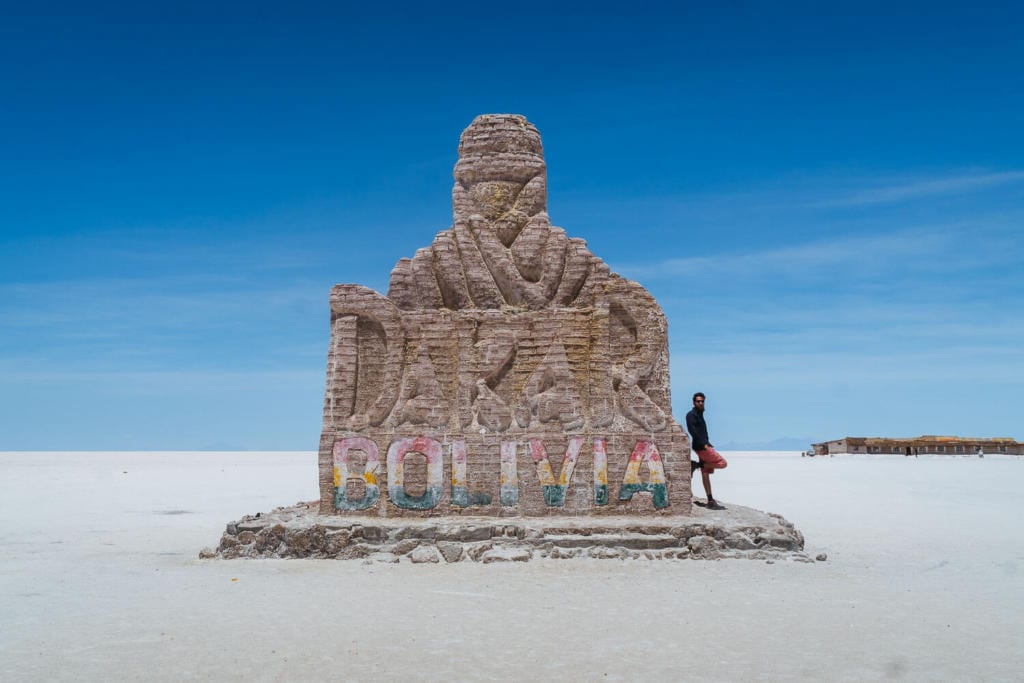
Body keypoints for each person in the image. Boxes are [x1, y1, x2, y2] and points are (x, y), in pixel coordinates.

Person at [686, 392, 728, 510]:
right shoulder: (691, 415)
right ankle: (697, 464)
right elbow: (693, 431)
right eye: (698, 401)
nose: (700, 403)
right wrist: (705, 445)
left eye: (702, 401)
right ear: (693, 402)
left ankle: (709, 499)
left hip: (703, 445)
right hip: (701, 447)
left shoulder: (700, 414)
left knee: (705, 473)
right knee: (723, 463)